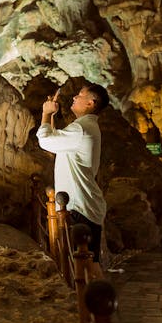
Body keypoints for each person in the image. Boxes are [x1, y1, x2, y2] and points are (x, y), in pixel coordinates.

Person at [37, 82, 110, 274]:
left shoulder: (81, 129)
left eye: (80, 95)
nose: (75, 98)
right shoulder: (85, 127)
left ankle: (94, 301)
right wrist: (52, 116)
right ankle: (92, 300)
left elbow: (45, 141)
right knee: (87, 262)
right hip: (83, 204)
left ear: (90, 103)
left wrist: (45, 113)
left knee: (86, 263)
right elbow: (55, 143)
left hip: (79, 207)